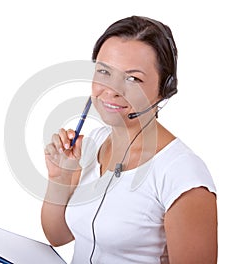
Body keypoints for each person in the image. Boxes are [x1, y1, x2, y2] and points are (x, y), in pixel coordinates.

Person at [41, 16, 217, 264]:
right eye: (104, 71)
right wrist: (59, 178)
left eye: (132, 78)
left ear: (164, 88)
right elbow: (58, 236)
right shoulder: (94, 143)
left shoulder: (182, 175)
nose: (111, 90)